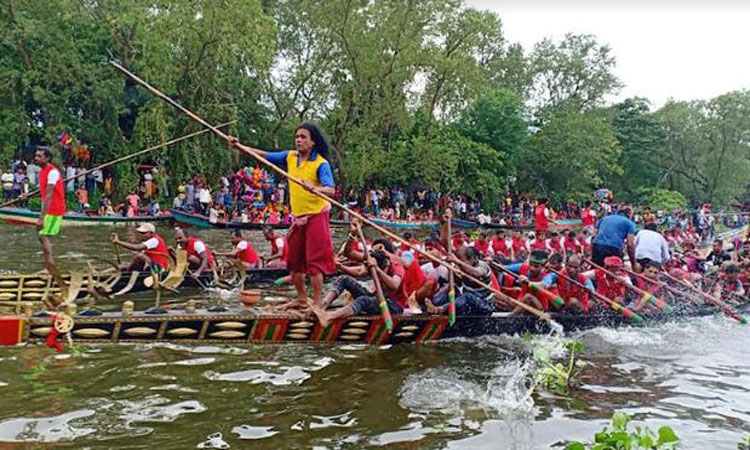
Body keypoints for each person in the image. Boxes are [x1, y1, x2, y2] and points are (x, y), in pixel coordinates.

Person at [243, 122, 336, 309]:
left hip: (317, 216)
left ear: (313, 142)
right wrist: (239, 145)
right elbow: (263, 155)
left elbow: (331, 190)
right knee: (294, 262)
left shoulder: (321, 164)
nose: (298, 140)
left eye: (303, 137)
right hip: (298, 217)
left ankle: (317, 304)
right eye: (297, 137)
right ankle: (302, 299)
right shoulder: (290, 157)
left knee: (315, 263)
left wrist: (315, 188)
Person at [315, 249, 406, 327]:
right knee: (344, 279)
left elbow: (395, 285)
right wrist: (341, 267)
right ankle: (323, 306)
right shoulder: (371, 266)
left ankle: (329, 317)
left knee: (363, 300)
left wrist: (377, 270)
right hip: (377, 298)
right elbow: (358, 272)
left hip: (394, 306)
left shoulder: (397, 267)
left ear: (386, 264)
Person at [35, 146, 66, 276]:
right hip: (49, 207)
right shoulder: (42, 172)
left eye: (40, 156)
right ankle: (49, 266)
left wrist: (41, 218)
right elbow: (42, 191)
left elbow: (49, 195)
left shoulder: (53, 172)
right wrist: (27, 196)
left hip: (54, 208)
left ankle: (50, 267)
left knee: (43, 235)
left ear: (47, 158)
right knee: (42, 235)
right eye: (36, 156)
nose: (36, 158)